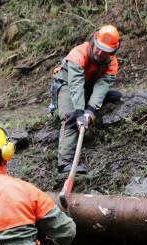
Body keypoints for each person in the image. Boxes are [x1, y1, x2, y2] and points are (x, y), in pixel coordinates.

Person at [51, 24, 122, 174]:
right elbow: (75, 85)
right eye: (98, 47)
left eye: (106, 51)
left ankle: (91, 103)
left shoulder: (112, 62)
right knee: (70, 117)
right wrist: (79, 112)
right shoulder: (78, 54)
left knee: (106, 96)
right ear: (93, 40)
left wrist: (90, 110)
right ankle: (65, 162)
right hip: (67, 84)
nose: (100, 52)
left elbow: (102, 85)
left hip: (88, 85)